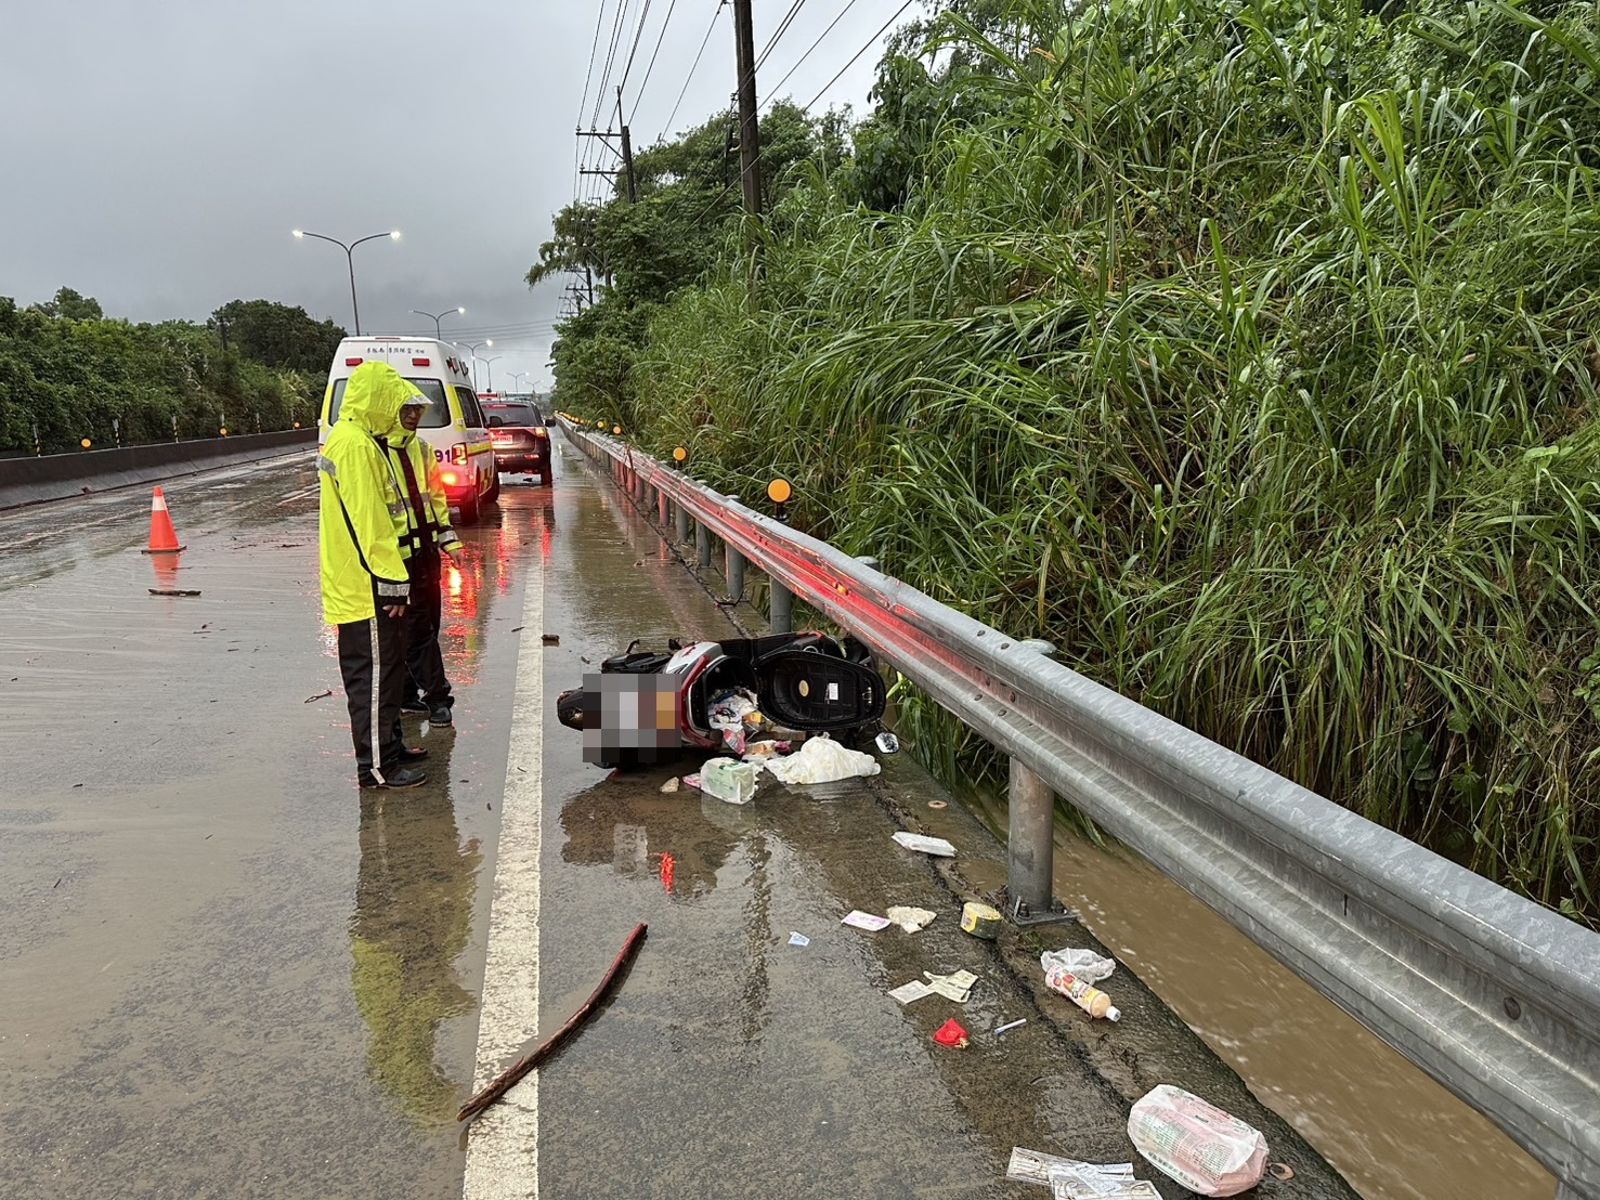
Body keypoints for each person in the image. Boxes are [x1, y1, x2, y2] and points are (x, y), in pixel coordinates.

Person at [318, 362, 429, 790]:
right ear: (378, 400)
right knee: (374, 679)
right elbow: (369, 521)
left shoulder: (363, 441)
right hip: (365, 587)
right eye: (395, 402)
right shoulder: (353, 445)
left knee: (390, 673)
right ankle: (377, 767)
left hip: (365, 581)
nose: (402, 412)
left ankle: (391, 748)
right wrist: (392, 584)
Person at [385, 395, 463, 727]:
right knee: (420, 632)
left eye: (418, 410)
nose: (415, 416)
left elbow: (436, 499)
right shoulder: (376, 453)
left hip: (425, 555)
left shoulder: (421, 449)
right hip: (397, 560)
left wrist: (447, 539)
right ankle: (437, 698)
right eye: (407, 410)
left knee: (425, 626)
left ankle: (405, 695)